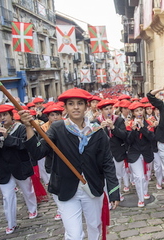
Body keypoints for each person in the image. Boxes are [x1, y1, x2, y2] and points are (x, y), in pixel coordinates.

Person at [19, 88, 120, 240]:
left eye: (80, 103)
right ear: (65, 108)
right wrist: (28, 126)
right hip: (66, 189)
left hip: (92, 187)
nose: (76, 107)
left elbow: (107, 162)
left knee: (94, 226)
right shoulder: (57, 128)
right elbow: (38, 152)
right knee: (74, 234)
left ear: (86, 106)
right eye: (71, 104)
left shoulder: (97, 131)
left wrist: (113, 190)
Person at [0, 105, 38, 235]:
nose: (2, 118)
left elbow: (24, 146)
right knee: (7, 197)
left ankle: (32, 209)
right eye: (0, 116)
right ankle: (11, 223)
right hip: (3, 169)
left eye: (5, 115)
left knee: (27, 190)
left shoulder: (20, 128)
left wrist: (7, 137)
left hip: (20, 166)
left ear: (11, 116)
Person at [94, 99, 129, 201]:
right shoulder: (96, 122)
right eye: (106, 109)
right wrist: (101, 128)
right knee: (104, 176)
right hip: (103, 154)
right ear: (101, 111)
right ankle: (107, 197)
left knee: (117, 175)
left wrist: (113, 127)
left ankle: (117, 194)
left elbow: (124, 136)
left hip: (117, 152)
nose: (109, 111)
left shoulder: (119, 120)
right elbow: (94, 140)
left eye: (110, 108)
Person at [126, 102, 155, 207]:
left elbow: (152, 138)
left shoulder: (149, 123)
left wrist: (143, 127)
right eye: (137, 111)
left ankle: (145, 191)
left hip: (147, 152)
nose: (139, 112)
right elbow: (128, 141)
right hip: (135, 153)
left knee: (146, 176)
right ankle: (140, 198)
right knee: (139, 177)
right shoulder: (129, 124)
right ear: (133, 113)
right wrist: (133, 130)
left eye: (141, 110)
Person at [41, 103, 65, 220]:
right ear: (48, 117)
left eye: (57, 114)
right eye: (52, 115)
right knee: (55, 188)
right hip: (51, 162)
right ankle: (60, 209)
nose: (55, 117)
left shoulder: (68, 125)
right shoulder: (42, 129)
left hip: (66, 162)